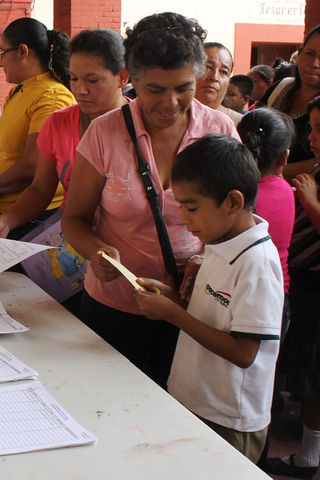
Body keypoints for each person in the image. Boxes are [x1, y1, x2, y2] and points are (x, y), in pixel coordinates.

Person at [61, 12, 239, 388]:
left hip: (194, 309)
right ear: (133, 79)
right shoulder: (105, 133)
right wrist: (94, 250)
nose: (170, 103)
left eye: (183, 88)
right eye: (155, 90)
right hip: (114, 307)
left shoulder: (219, 130)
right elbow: (73, 219)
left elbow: (239, 219)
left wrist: (202, 265)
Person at [134, 134, 283, 463]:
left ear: (232, 202)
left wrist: (173, 315)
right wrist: (173, 299)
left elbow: (244, 353)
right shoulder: (219, 243)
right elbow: (211, 316)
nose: (184, 218)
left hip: (227, 418)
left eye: (192, 207)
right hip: (195, 400)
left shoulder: (256, 263)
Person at [0, 29, 128, 238]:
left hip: (129, 244)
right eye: (74, 78)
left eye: (93, 80)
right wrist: (6, 221)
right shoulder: (59, 123)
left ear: (122, 77)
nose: (80, 90)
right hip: (73, 239)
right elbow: (41, 189)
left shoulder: (141, 126)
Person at [0, 17, 76, 240]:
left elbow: (31, 167)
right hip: (2, 208)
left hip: (31, 217)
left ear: (23, 51)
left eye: (2, 53)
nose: (0, 63)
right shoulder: (19, 90)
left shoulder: (52, 96)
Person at [263, 97, 320, 479]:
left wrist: (310, 201)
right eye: (312, 128)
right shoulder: (316, 166)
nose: (313, 138)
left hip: (316, 286)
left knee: (314, 372)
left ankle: (310, 455)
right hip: (302, 280)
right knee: (302, 366)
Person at [237, 108, 295, 336]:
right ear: (284, 157)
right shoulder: (286, 190)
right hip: (278, 297)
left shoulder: (234, 198)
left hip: (239, 296)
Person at [263, 25, 320, 179]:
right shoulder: (281, 88)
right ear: (300, 54)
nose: (315, 63)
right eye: (310, 53)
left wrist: (271, 173)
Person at [195, 42, 243, 126]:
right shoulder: (173, 117)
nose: (214, 77)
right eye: (208, 67)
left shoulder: (239, 124)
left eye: (223, 72)